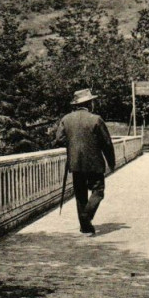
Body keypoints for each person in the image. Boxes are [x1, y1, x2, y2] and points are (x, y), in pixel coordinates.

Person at [55, 89, 115, 236]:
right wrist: (111, 163)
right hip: (94, 164)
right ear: (89, 103)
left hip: (75, 163)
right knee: (98, 191)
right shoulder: (96, 119)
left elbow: (59, 140)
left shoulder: (66, 119)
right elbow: (107, 143)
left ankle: (85, 227)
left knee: (80, 194)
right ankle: (86, 216)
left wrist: (73, 144)